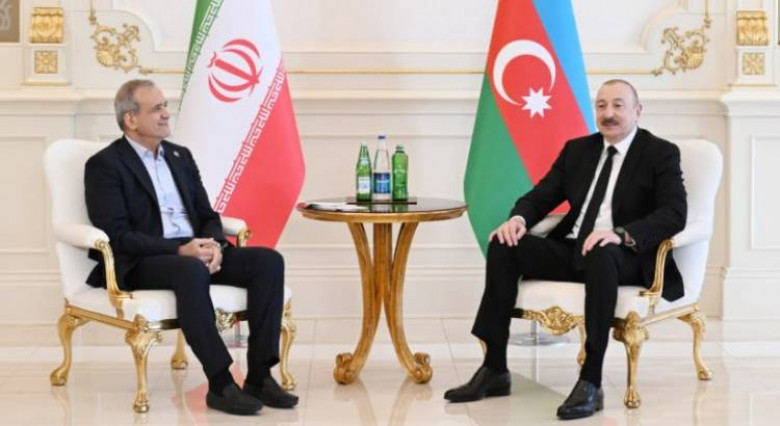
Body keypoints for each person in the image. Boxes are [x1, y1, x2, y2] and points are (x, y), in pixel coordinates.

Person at [445, 79, 687, 420]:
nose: (609, 113)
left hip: (624, 255)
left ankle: (591, 380)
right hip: (573, 249)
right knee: (504, 243)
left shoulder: (659, 153)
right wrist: (517, 220)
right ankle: (494, 368)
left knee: (601, 251)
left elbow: (674, 214)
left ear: (638, 111)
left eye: (618, 105)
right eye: (601, 105)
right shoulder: (578, 150)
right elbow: (541, 196)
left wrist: (620, 234)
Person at [84, 79, 298, 415]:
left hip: (195, 253)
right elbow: (118, 234)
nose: (166, 113)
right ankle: (220, 383)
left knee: (268, 261)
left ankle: (259, 376)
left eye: (165, 106)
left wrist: (214, 244)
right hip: (147, 260)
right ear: (131, 119)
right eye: (157, 108)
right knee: (189, 269)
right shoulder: (105, 165)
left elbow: (206, 214)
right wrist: (180, 249)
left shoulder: (180, 156)